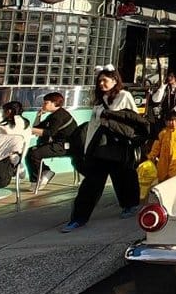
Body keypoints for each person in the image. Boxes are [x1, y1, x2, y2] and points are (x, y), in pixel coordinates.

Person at [63, 66, 149, 232]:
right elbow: (93, 126)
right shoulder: (98, 100)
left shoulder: (124, 96)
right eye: (99, 80)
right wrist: (87, 148)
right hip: (99, 147)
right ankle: (79, 217)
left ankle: (130, 204)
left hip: (118, 145)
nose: (101, 83)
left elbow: (133, 120)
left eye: (105, 80)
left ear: (115, 80)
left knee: (123, 176)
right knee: (91, 183)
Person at [27, 92, 78, 188]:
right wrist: (38, 116)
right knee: (31, 152)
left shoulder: (58, 116)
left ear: (54, 103)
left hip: (64, 147)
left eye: (46, 103)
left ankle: (38, 179)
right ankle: (44, 174)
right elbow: (37, 128)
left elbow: (50, 132)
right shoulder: (54, 115)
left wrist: (29, 130)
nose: (43, 105)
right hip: (58, 145)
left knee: (33, 153)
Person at [148, 71, 176, 142]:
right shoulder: (165, 87)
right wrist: (161, 88)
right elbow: (155, 99)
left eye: (172, 76)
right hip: (165, 114)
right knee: (162, 134)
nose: (169, 78)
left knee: (175, 135)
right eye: (168, 76)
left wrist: (174, 109)